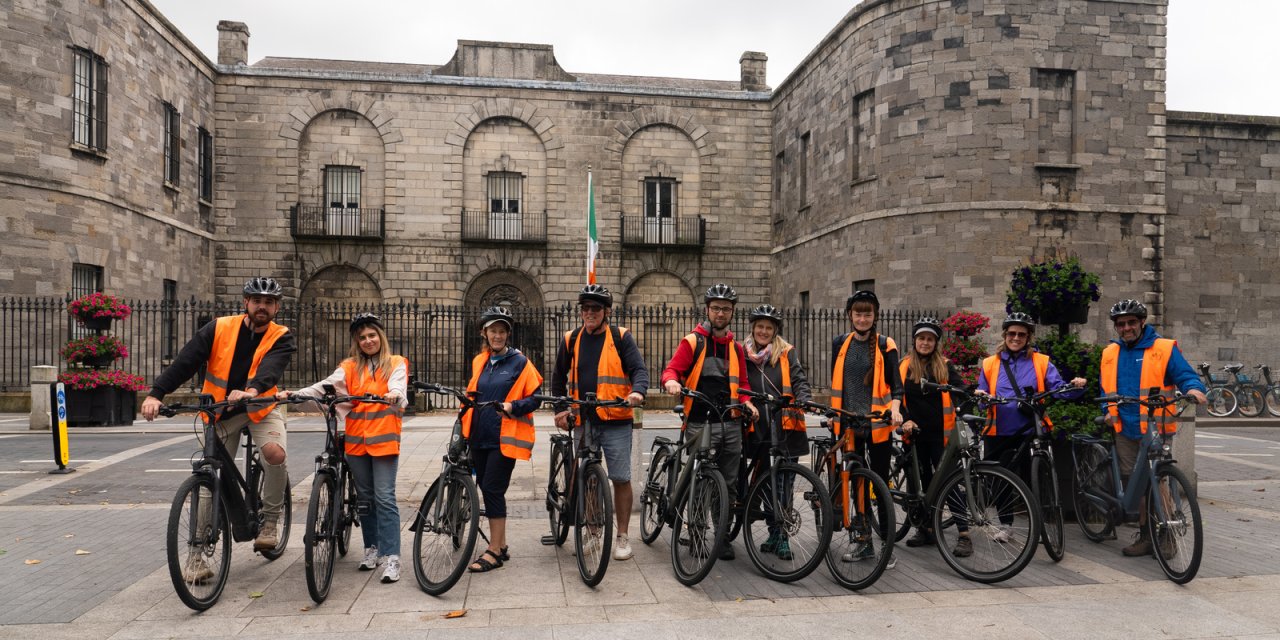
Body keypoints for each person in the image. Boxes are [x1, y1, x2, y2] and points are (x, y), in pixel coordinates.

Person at [140, 277, 297, 579]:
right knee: (210, 474)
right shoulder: (218, 328)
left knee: (274, 453)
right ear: (245, 303)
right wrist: (156, 394)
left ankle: (270, 520)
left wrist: (250, 391)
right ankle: (196, 557)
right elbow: (186, 362)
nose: (262, 306)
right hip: (221, 412)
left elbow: (270, 370)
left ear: (276, 307)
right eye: (256, 300)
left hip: (260, 406)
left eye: (268, 302)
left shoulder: (282, 335)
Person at [278, 313, 408, 583]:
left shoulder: (395, 363)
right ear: (357, 342)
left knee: (384, 498)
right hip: (356, 442)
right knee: (365, 499)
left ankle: (392, 556)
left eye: (372, 335)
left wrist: (395, 394)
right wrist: (295, 394)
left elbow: (398, 386)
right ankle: (372, 548)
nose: (368, 340)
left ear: (380, 337)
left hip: (383, 441)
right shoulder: (349, 367)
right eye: (362, 337)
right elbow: (325, 386)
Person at [1099, 299, 1206, 557]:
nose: (1126, 328)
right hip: (1124, 427)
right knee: (1136, 485)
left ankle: (1167, 535)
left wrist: (1194, 389)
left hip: (1155, 427)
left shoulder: (1163, 348)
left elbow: (1185, 374)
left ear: (1142, 322)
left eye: (1131, 322)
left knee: (1160, 482)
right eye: (1121, 324)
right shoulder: (1110, 352)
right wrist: (1106, 413)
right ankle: (1146, 536)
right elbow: (1104, 387)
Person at [550, 284, 649, 561]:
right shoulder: (571, 339)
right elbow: (558, 378)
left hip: (616, 418)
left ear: (606, 311)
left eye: (595, 308)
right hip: (584, 418)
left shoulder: (620, 337)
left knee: (620, 478)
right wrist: (560, 409)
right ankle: (593, 531)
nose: (589, 313)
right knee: (589, 478)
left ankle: (622, 536)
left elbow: (639, 370)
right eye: (585, 308)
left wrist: (637, 392)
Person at [661, 283, 759, 561]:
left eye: (726, 309)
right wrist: (670, 382)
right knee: (701, 480)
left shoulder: (736, 348)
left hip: (730, 422)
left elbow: (742, 383)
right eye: (716, 308)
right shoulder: (694, 341)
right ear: (708, 309)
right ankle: (696, 534)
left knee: (727, 483)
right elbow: (671, 370)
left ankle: (722, 537)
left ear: (732, 313)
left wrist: (748, 402)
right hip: (700, 421)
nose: (720, 313)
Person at [976, 311, 1085, 539]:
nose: (1016, 338)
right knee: (1001, 480)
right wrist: (981, 398)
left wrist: (1076, 386)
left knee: (1034, 478)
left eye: (1021, 334)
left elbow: (1059, 388)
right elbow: (982, 397)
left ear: (1029, 337)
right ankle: (1006, 526)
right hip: (999, 429)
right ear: (1005, 335)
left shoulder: (1041, 362)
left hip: (1030, 429)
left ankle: (1043, 524)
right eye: (1012, 333)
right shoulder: (989, 363)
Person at [464, 306, 543, 573]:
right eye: (493, 331)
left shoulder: (520, 362)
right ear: (484, 333)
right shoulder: (480, 361)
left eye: (502, 331)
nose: (497, 336)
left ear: (508, 334)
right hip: (479, 434)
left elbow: (536, 398)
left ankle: (494, 551)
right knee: (485, 487)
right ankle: (502, 544)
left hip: (505, 436)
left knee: (493, 489)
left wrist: (513, 407)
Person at [829, 290, 903, 563]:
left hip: (878, 423)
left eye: (867, 313)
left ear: (875, 316)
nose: (862, 318)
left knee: (880, 484)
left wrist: (895, 409)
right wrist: (832, 415)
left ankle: (887, 542)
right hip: (849, 424)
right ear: (850, 315)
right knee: (856, 483)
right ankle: (862, 541)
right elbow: (837, 382)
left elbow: (897, 384)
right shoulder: (840, 343)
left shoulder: (886, 344)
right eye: (858, 313)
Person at [741, 303, 811, 561]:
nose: (763, 331)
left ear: (775, 330)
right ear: (753, 328)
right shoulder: (743, 352)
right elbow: (738, 381)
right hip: (758, 426)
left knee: (784, 484)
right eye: (760, 326)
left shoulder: (787, 352)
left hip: (786, 425)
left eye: (768, 327)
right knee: (764, 482)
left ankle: (782, 536)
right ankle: (772, 531)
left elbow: (799, 379)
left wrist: (803, 397)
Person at [897, 316, 964, 551]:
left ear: (936, 343)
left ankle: (964, 533)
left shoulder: (944, 365)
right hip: (914, 434)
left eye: (930, 339)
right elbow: (895, 397)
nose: (925, 343)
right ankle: (925, 529)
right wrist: (905, 420)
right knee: (922, 484)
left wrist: (973, 394)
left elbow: (961, 389)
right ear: (914, 341)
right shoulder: (904, 366)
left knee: (949, 481)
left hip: (940, 434)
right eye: (921, 338)